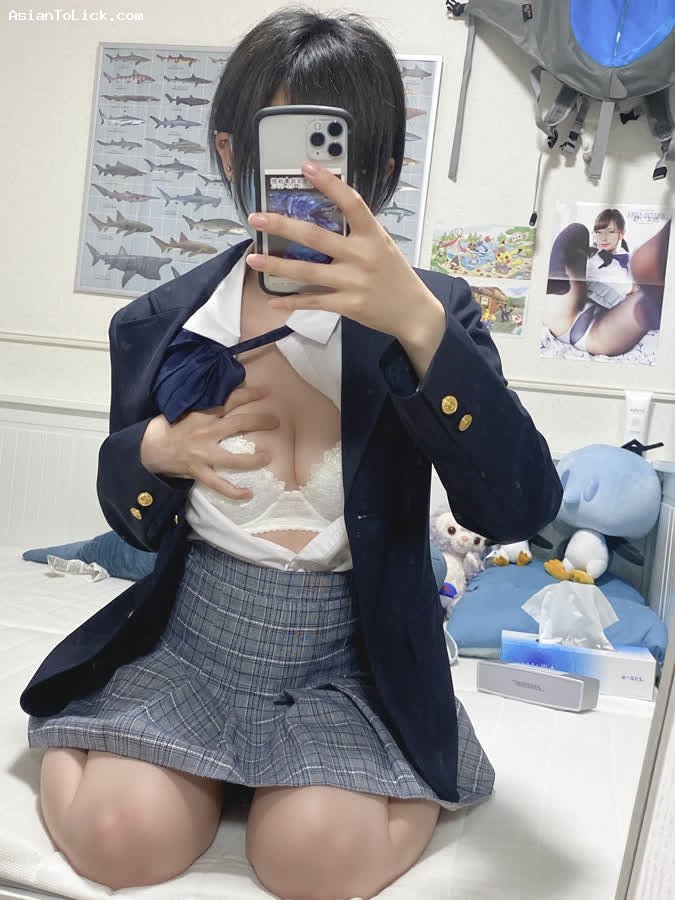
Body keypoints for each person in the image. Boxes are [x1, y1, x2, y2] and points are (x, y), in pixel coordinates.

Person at [20, 9, 562, 899]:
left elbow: (516, 508)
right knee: (120, 840)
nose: (312, 183)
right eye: (285, 153)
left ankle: (355, 775)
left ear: (381, 168)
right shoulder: (163, 320)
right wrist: (154, 449)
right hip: (195, 635)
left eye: (338, 155)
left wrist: (419, 325)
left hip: (351, 654)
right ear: (233, 153)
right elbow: (133, 521)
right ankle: (120, 746)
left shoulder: (434, 312)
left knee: (311, 861)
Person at [544, 207, 670, 356]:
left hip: (597, 332)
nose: (603, 238)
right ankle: (555, 275)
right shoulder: (590, 256)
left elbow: (635, 289)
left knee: (647, 297)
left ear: (621, 234)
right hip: (566, 313)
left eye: (610, 232)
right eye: (598, 232)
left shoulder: (626, 262)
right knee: (578, 229)